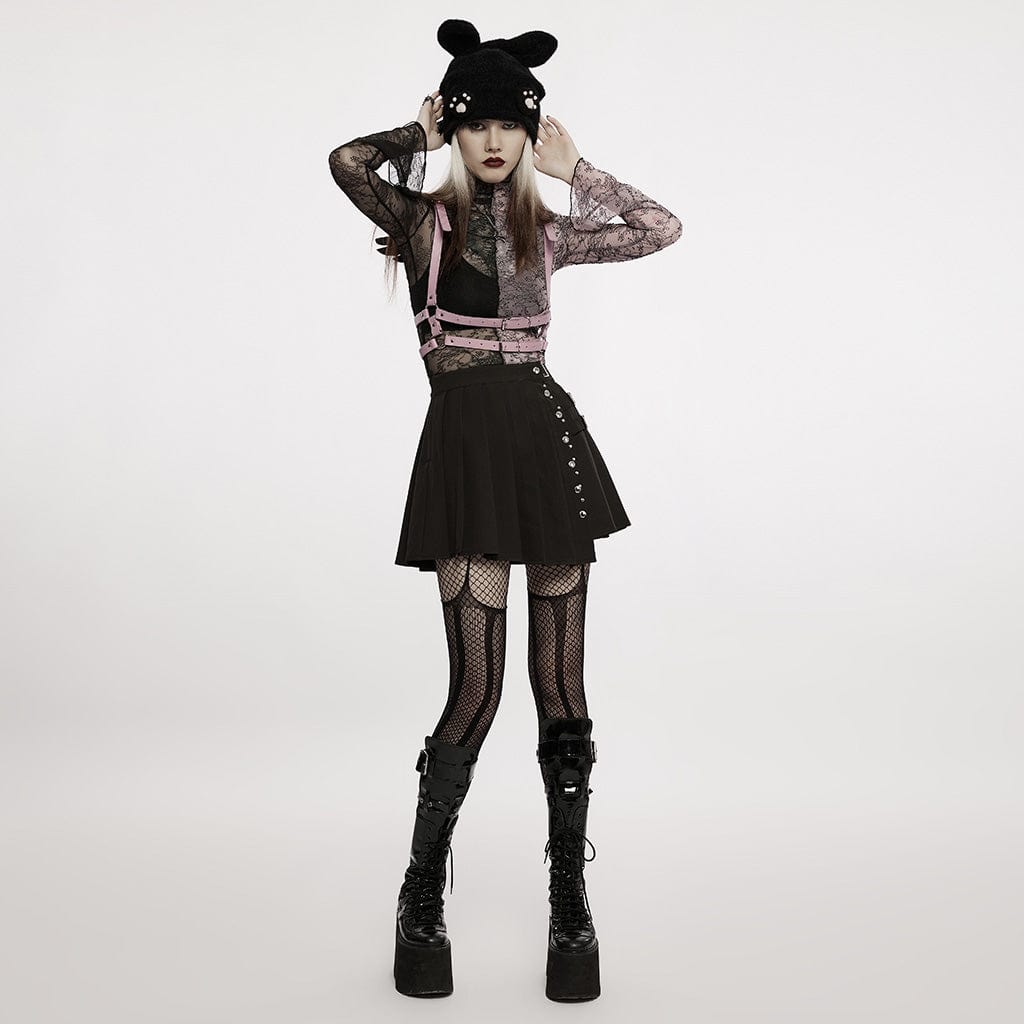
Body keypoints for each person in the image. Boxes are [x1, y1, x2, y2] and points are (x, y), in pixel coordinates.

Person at [327, 18, 681, 1002]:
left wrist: (581, 170)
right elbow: (347, 162)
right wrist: (417, 135)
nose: (491, 140)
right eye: (474, 123)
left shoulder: (548, 232)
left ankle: (570, 899)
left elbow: (660, 228)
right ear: (457, 128)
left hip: (547, 452)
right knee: (475, 690)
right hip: (467, 458)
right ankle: (419, 894)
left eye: (507, 125)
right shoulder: (420, 224)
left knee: (561, 689)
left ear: (529, 134)